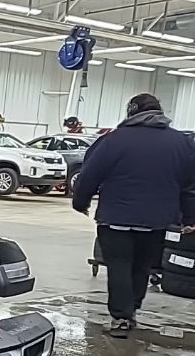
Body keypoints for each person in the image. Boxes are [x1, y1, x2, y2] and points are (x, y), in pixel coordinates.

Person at [73, 93, 195, 338]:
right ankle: (132, 309)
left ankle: (121, 317)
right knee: (142, 266)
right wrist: (190, 218)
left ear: (131, 112)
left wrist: (80, 202)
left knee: (119, 265)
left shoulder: (112, 141)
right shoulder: (182, 143)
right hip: (156, 220)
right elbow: (190, 185)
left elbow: (89, 175)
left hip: (115, 218)